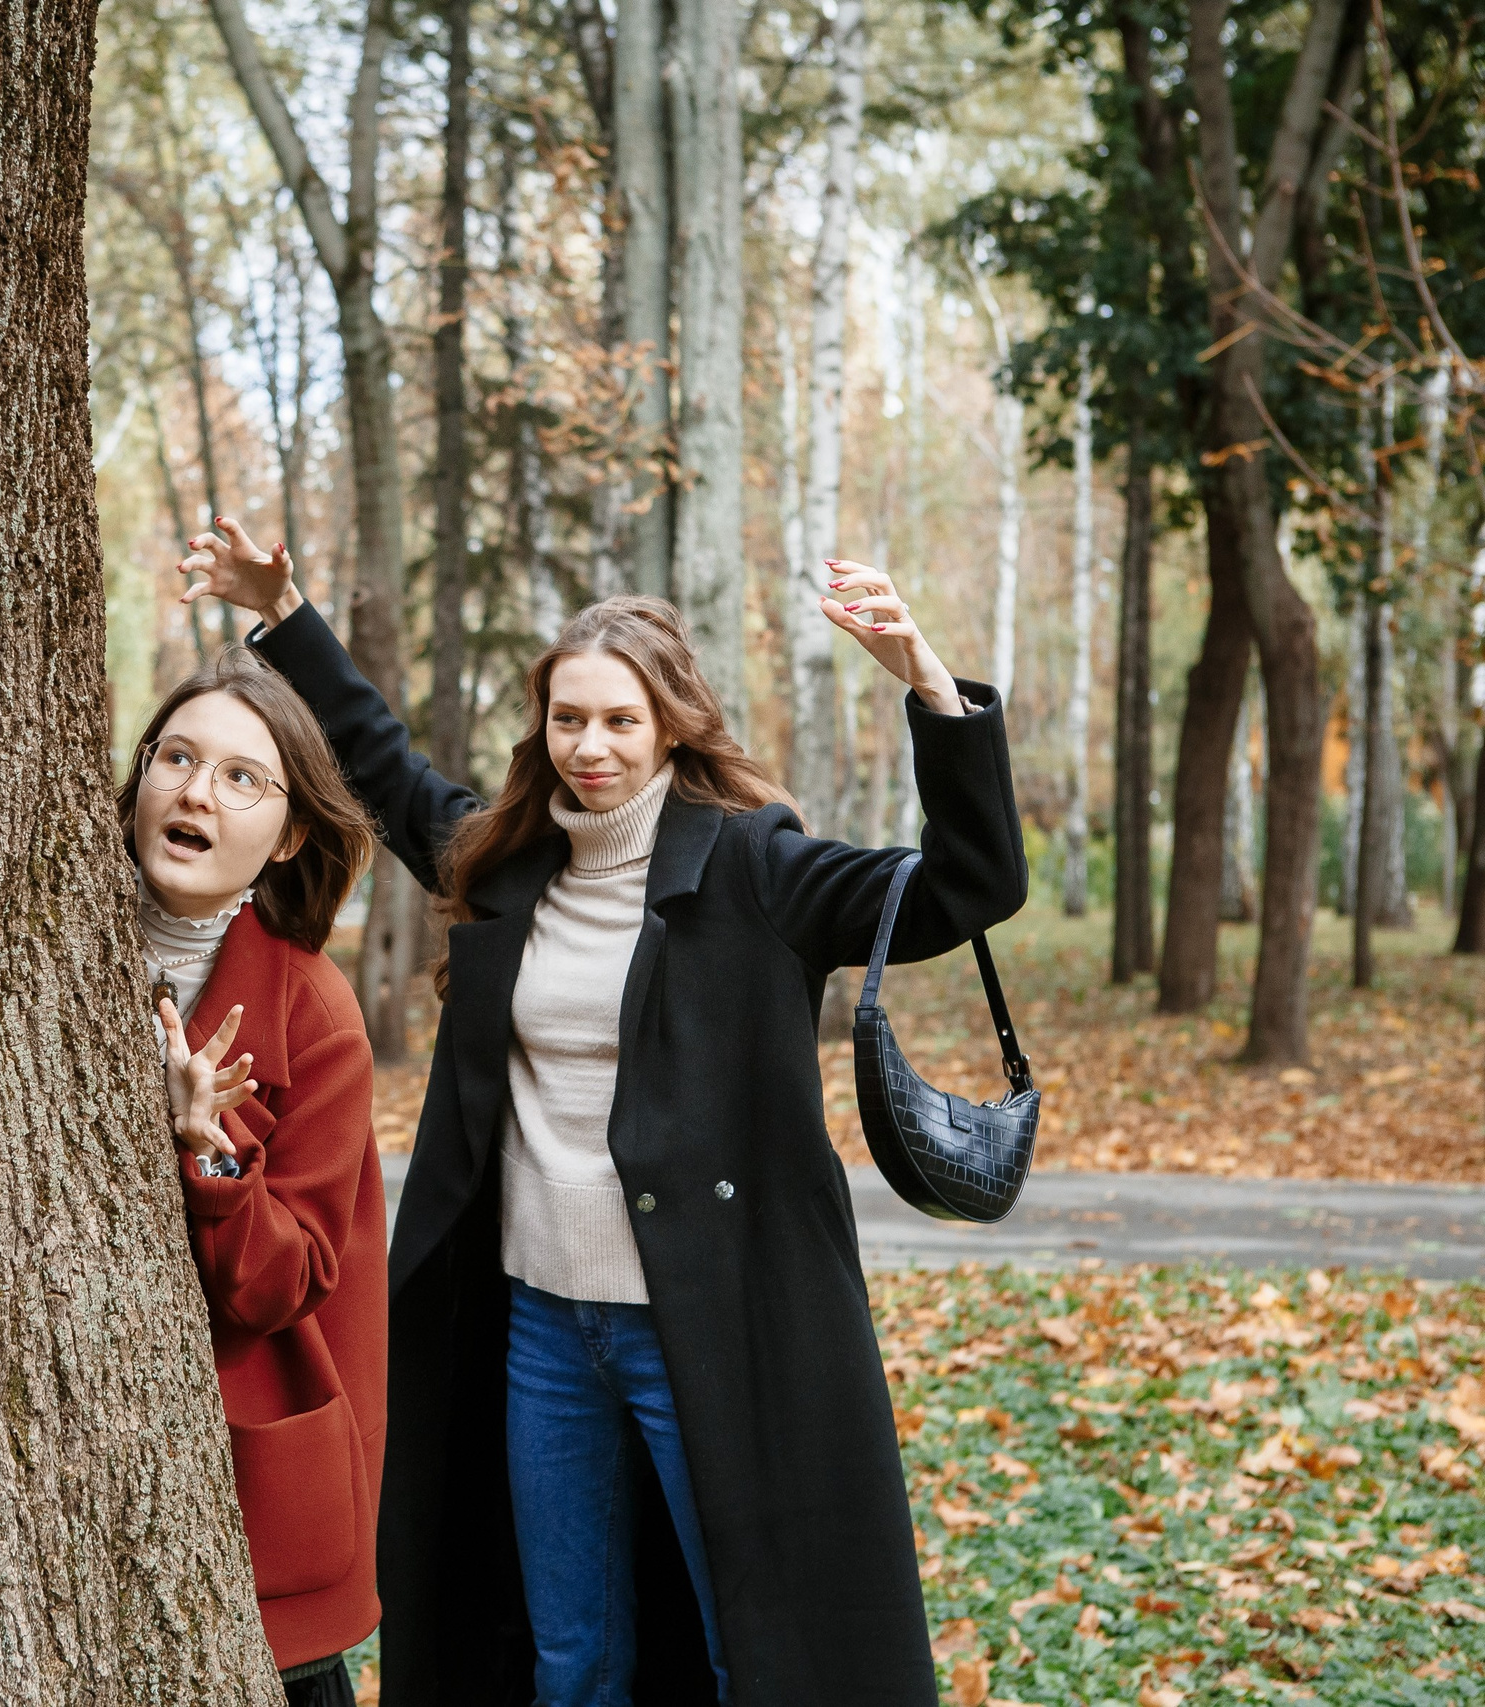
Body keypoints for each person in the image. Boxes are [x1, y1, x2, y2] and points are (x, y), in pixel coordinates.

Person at [174, 518, 1029, 1707]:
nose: (589, 747)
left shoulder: (758, 871)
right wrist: (285, 610)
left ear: (671, 723)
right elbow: (378, 757)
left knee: (754, 1654)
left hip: (706, 1333)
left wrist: (929, 685)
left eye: (619, 721)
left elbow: (968, 886)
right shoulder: (504, 863)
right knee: (571, 1658)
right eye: (567, 720)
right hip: (541, 1330)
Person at [125, 651, 391, 1707]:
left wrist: (209, 1151)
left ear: (286, 836)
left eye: (242, 777)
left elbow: (285, 1282)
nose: (196, 791)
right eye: (176, 758)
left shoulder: (314, 1014)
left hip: (244, 1466)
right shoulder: (39, 943)